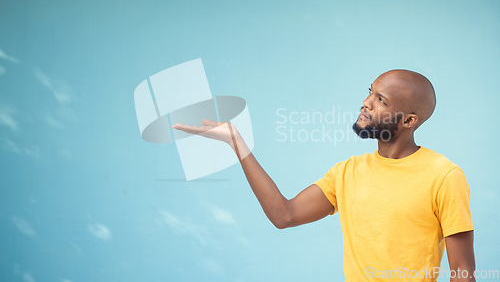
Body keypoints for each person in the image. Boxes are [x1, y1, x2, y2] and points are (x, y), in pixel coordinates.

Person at [171, 69, 475, 282]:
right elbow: (284, 215)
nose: (365, 103)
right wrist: (236, 142)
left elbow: (462, 271)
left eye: (381, 100)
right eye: (369, 92)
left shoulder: (444, 176)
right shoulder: (347, 173)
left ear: (409, 120)